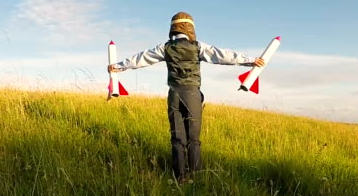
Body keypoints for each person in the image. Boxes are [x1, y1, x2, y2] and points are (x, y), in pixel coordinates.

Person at [108, 12, 265, 181]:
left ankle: (179, 177)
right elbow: (223, 55)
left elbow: (141, 58)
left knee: (177, 137)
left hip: (174, 94)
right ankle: (196, 177)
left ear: (172, 28)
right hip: (192, 95)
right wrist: (250, 60)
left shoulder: (165, 47)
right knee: (193, 139)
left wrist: (118, 66)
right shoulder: (198, 47)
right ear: (191, 28)